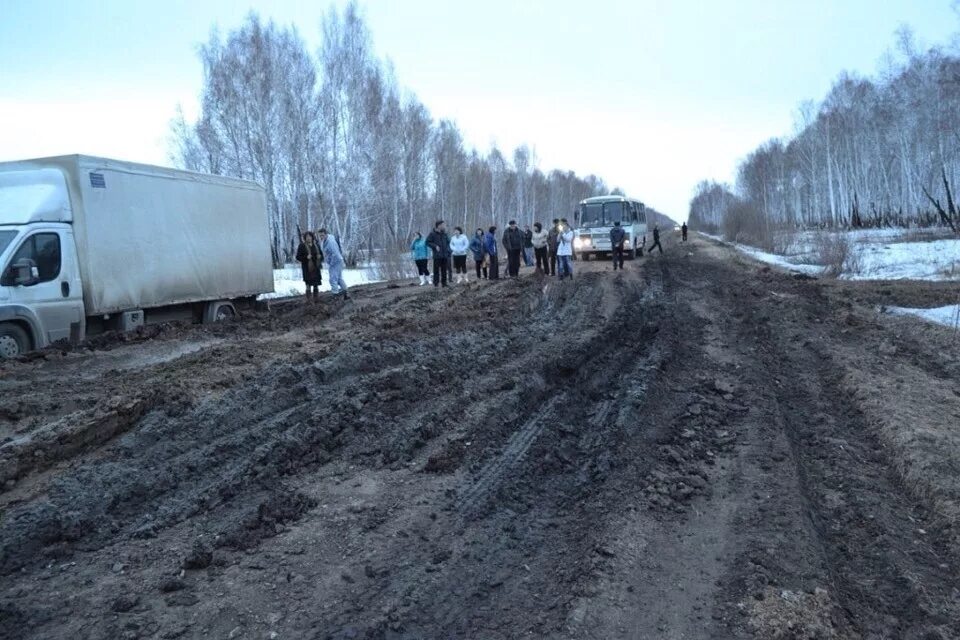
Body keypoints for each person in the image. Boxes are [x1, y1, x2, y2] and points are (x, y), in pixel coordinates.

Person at [318, 228, 349, 299]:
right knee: (339, 278)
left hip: (336, 261)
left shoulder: (330, 242)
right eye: (320, 236)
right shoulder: (326, 241)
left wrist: (331, 263)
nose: (321, 237)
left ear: (326, 234)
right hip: (336, 260)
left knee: (333, 279)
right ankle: (346, 292)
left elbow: (335, 254)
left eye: (322, 235)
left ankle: (335, 294)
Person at [295, 231, 323, 302]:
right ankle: (309, 300)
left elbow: (322, 255)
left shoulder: (316, 245)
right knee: (308, 284)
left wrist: (320, 257)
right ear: (305, 238)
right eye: (307, 237)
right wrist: (306, 257)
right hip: (307, 268)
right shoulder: (302, 246)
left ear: (312, 237)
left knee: (316, 284)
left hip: (316, 268)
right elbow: (298, 257)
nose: (309, 238)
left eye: (310, 236)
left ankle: (316, 299)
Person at [426, 220, 451, 287]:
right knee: (436, 270)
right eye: (443, 225)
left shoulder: (444, 233)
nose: (444, 226)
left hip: (445, 255)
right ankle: (436, 283)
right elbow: (427, 242)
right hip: (437, 255)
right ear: (439, 226)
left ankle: (444, 283)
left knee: (444, 270)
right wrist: (435, 246)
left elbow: (448, 242)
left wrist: (448, 251)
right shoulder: (432, 234)